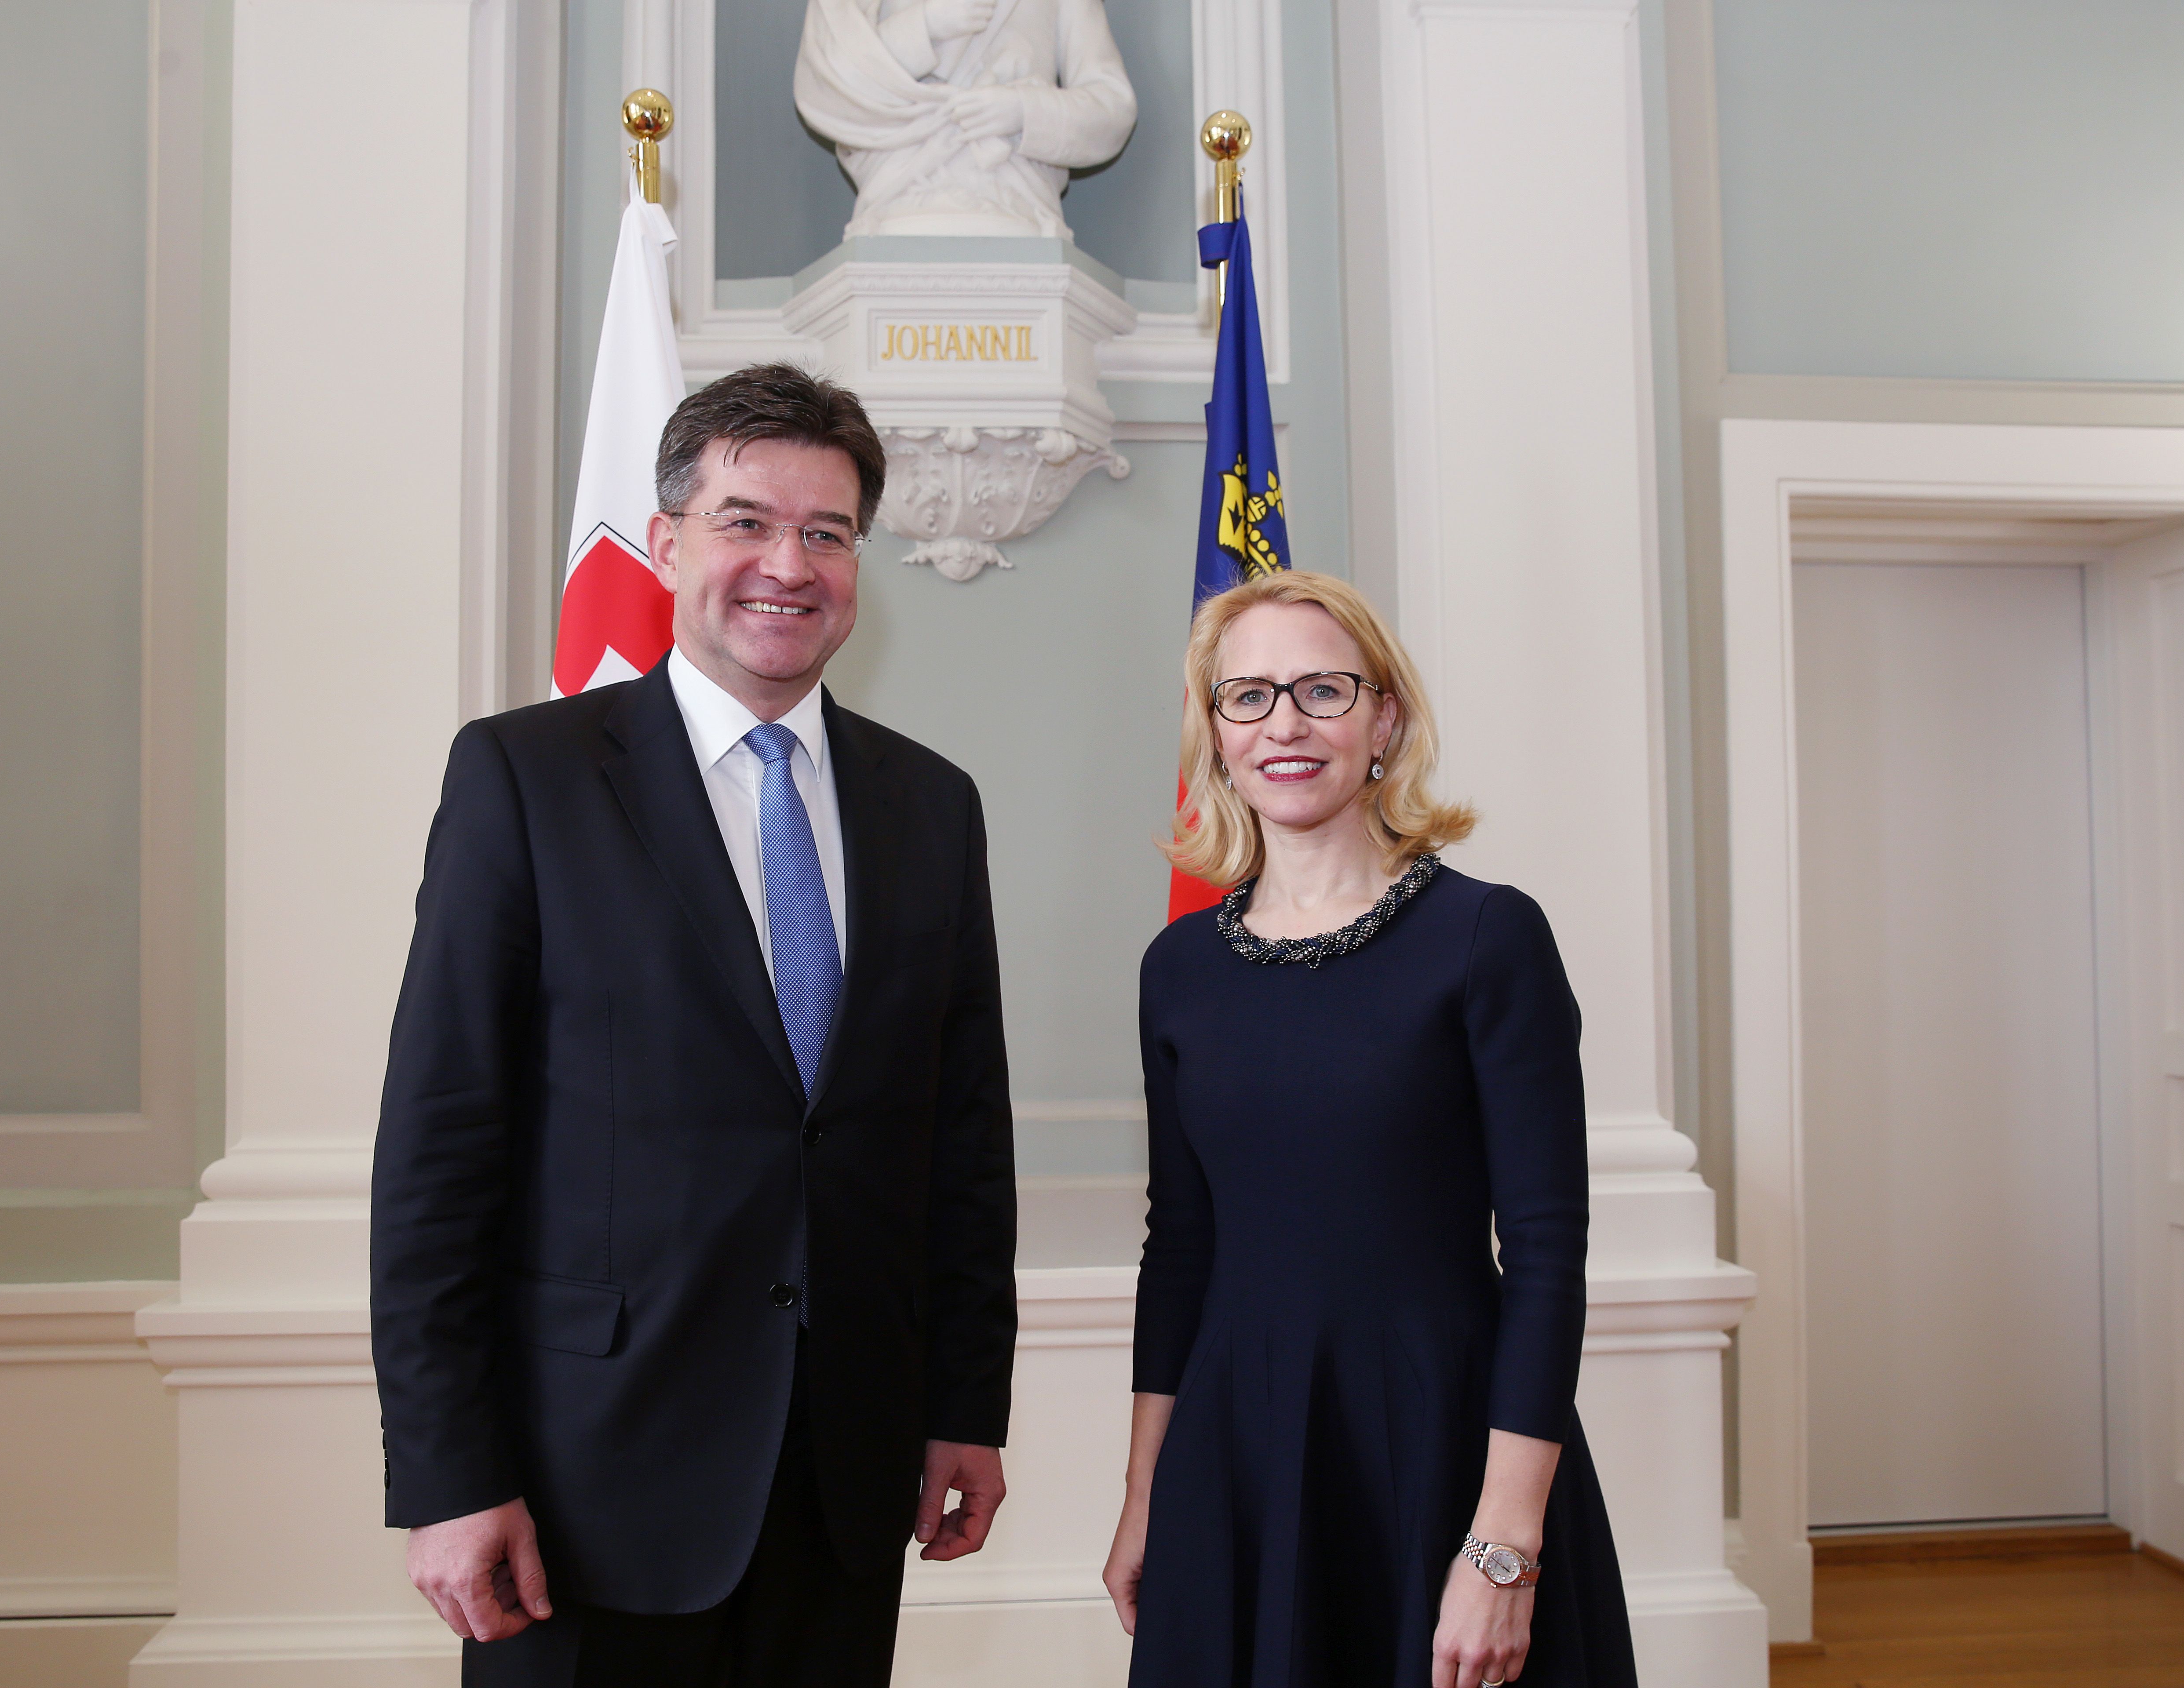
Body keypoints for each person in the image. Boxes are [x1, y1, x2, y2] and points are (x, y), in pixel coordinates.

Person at [372, 364, 1019, 1688]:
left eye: (827, 532)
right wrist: (449, 1472)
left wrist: (964, 1403)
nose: (788, 564)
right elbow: (439, 1150)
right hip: (584, 1481)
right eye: (746, 521)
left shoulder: (931, 804)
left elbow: (961, 1140)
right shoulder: (527, 779)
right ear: (666, 544)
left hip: (845, 1475)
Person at [1102, 571, 1638, 1688]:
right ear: (1215, 732)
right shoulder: (1178, 969)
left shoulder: (1486, 936)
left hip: (1442, 1444)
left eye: (1323, 690)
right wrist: (1145, 1494)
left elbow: (1546, 1255)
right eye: (1247, 695)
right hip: (1234, 1455)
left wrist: (1502, 1548)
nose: (1284, 724)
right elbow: (1180, 1247)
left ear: (1384, 718)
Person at [795, 0, 1138, 239]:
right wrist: (925, 25)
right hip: (895, 202)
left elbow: (1112, 109)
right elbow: (826, 84)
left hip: (1019, 208)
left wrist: (1022, 110)